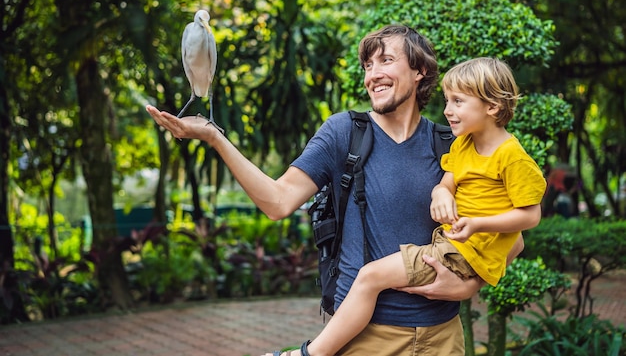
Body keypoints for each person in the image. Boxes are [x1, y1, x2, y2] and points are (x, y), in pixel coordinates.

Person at [147, 25, 523, 356]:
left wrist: (468, 286)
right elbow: (278, 202)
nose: (373, 75)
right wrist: (216, 139)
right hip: (363, 338)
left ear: (419, 70)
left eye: (386, 61)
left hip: (443, 339)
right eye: (367, 66)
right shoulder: (345, 133)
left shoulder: (451, 144)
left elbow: (512, 239)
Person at [263, 57, 546, 356]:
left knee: (371, 276)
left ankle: (309, 354)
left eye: (458, 102)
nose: (448, 110)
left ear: (492, 107)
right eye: (448, 101)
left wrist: (473, 261)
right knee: (370, 278)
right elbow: (448, 182)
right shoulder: (463, 144)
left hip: (454, 264)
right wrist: (441, 193)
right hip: (435, 262)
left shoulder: (511, 157)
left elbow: (528, 220)